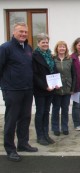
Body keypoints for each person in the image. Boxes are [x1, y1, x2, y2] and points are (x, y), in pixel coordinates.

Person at [0, 22, 38, 162]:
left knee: (25, 118)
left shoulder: (27, 48)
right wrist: (5, 87)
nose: (23, 34)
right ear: (13, 32)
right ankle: (10, 149)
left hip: (27, 90)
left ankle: (23, 144)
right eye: (20, 31)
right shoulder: (5, 48)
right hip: (12, 91)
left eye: (25, 32)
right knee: (11, 120)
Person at [32, 33, 58, 146]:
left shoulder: (50, 55)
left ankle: (46, 134)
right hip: (41, 89)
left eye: (47, 42)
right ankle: (40, 136)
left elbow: (54, 70)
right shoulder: (34, 55)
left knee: (47, 112)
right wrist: (44, 86)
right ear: (38, 43)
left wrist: (57, 83)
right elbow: (34, 75)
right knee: (40, 112)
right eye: (43, 42)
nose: (45, 44)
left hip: (51, 88)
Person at [51, 41, 76, 136]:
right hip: (56, 88)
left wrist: (72, 88)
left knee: (65, 109)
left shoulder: (70, 60)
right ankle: (55, 128)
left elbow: (74, 75)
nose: (62, 49)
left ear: (66, 49)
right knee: (56, 109)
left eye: (63, 47)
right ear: (57, 48)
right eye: (60, 47)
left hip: (67, 88)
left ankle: (65, 127)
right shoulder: (53, 59)